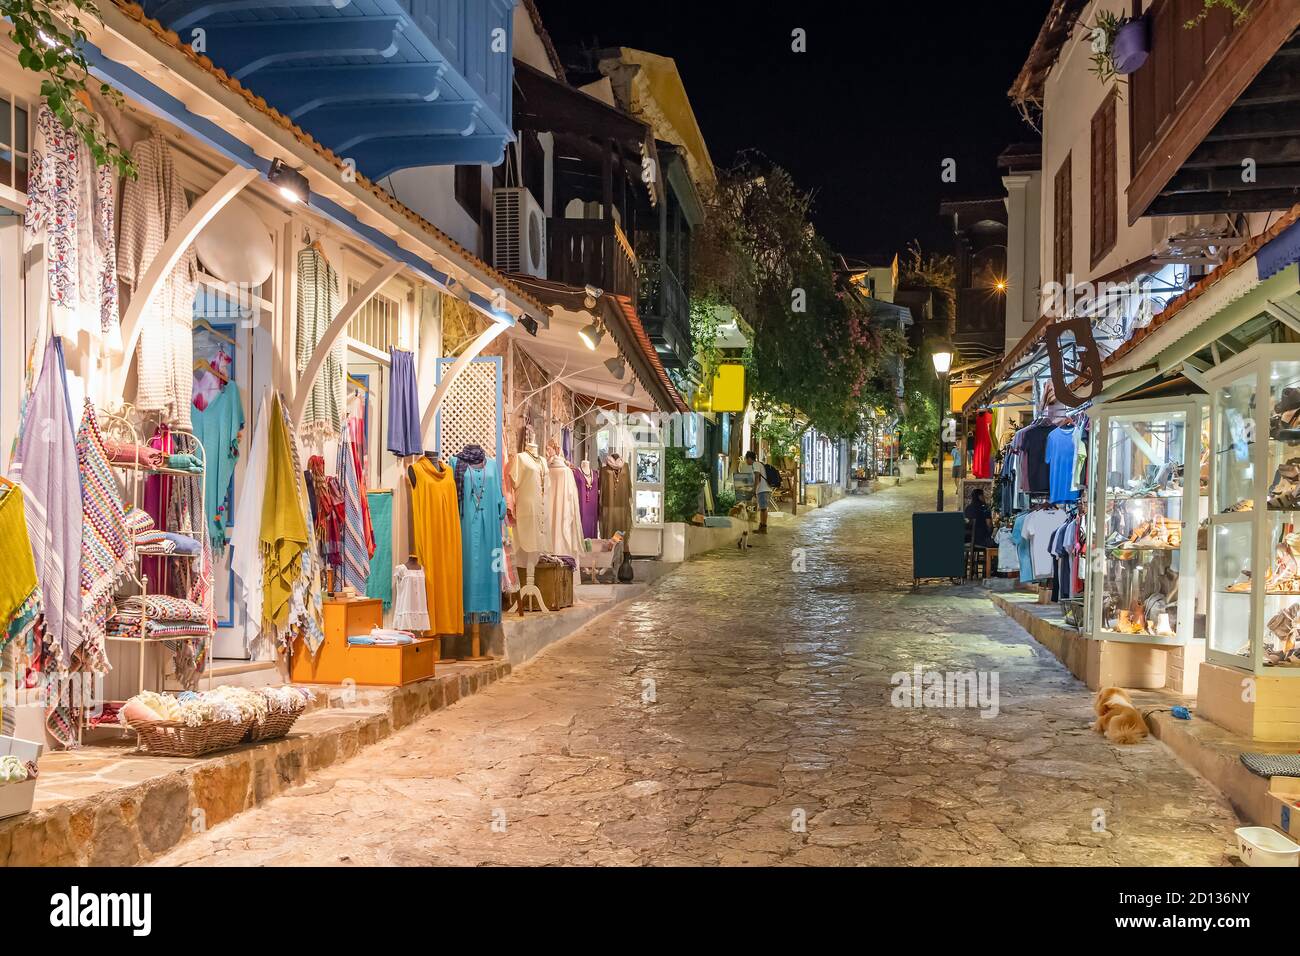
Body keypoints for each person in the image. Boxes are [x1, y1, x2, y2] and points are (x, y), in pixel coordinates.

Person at [740, 450, 771, 533]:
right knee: (762, 508)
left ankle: (763, 527)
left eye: (746, 459)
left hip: (763, 489)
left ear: (750, 458)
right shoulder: (758, 464)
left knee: (763, 509)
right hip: (763, 489)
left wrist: (754, 490)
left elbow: (757, 477)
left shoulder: (755, 464)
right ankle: (762, 527)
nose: (746, 461)